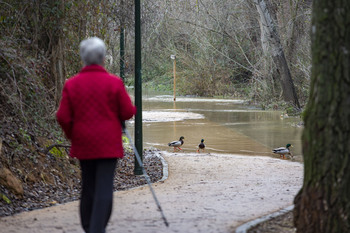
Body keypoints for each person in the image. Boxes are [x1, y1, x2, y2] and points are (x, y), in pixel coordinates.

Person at [56, 37, 136, 233]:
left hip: (84, 144)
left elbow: (63, 116)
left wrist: (72, 136)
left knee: (88, 186)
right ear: (102, 58)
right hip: (108, 145)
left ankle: (89, 227)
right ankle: (97, 229)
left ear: (83, 58)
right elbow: (127, 112)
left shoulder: (72, 84)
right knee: (104, 188)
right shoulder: (114, 83)